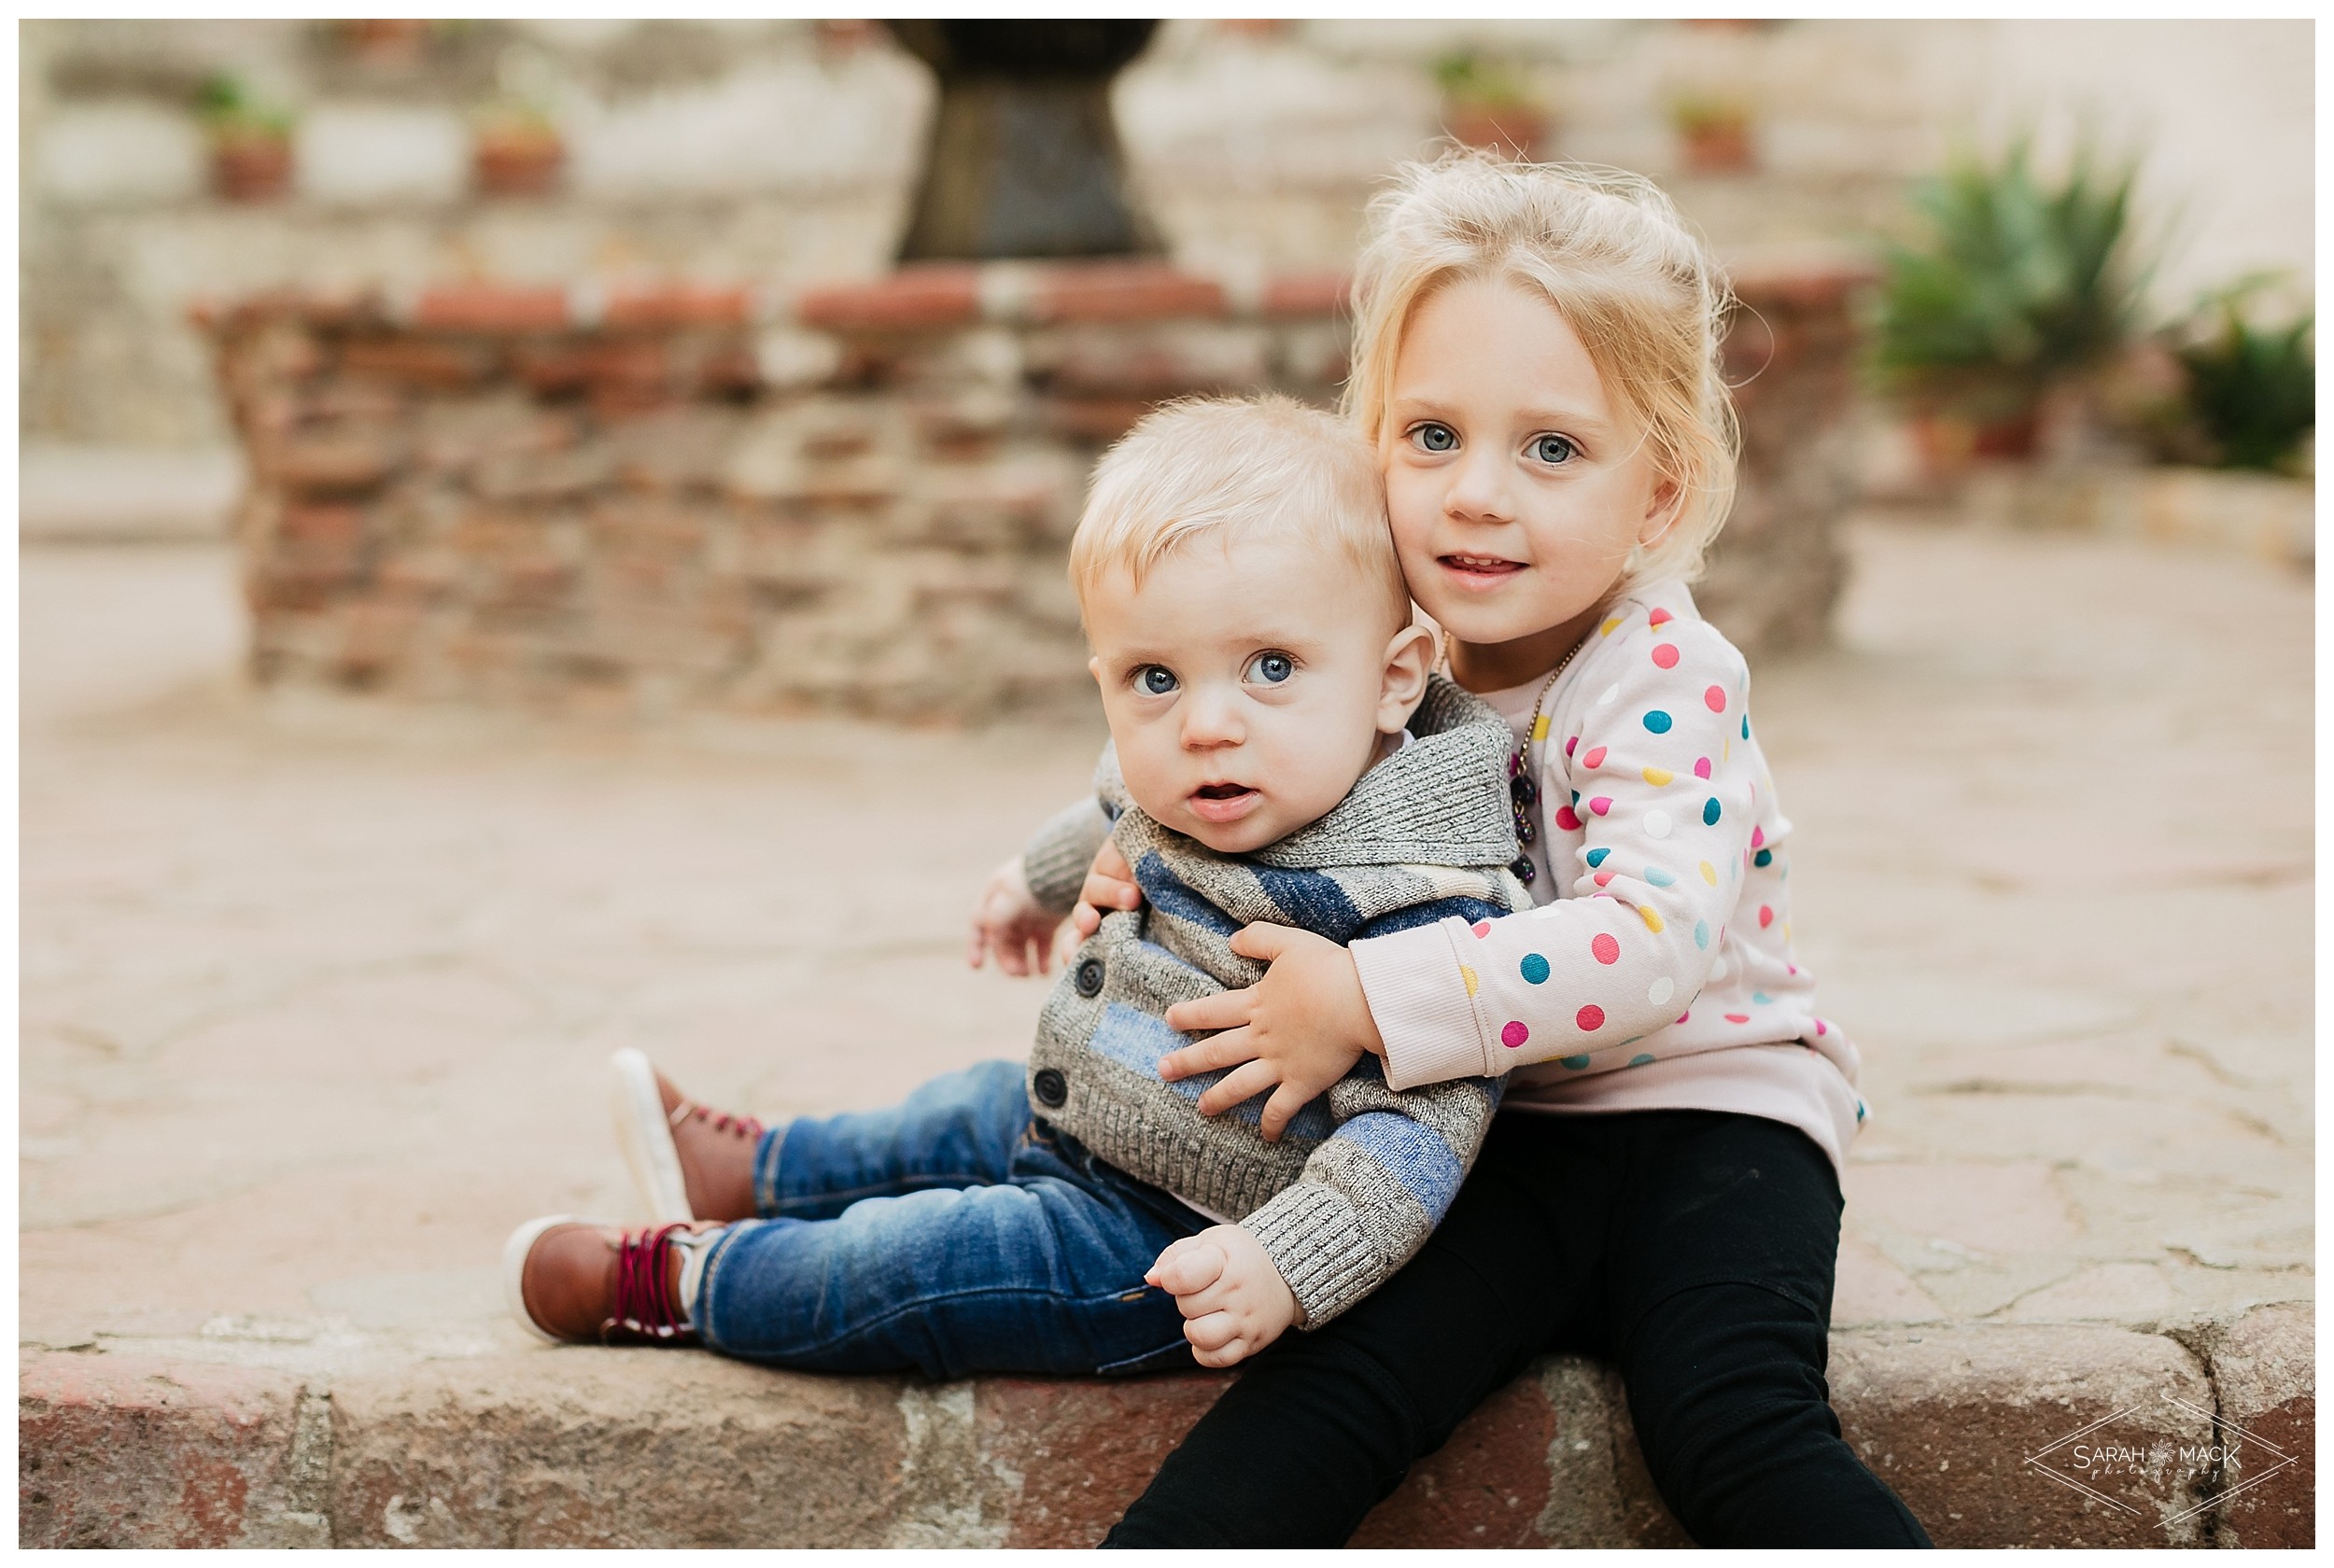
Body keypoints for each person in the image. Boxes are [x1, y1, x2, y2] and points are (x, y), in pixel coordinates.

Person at [1095, 154, 1933, 1547]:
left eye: (1550, 449)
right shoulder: (1371, 651)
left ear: (1656, 498)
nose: (1478, 495)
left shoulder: (1659, 672)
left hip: (1714, 1126)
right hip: (1477, 1138)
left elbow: (1651, 943)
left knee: (1735, 1427)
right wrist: (1119, 862)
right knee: (1325, 1395)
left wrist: (1370, 1000)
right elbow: (1207, 754)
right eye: (1431, 437)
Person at [499, 395, 1532, 1378]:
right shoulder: (1226, 775)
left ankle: (680, 1283)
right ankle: (753, 1173)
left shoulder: (1424, 902)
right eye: (1154, 680)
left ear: (1396, 676)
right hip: (1082, 1115)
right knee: (949, 1116)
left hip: (1165, 1240)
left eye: (1270, 667)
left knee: (914, 1264)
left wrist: (1282, 1267)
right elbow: (1117, 805)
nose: (1205, 724)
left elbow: (1419, 1138)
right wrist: (1036, 882)